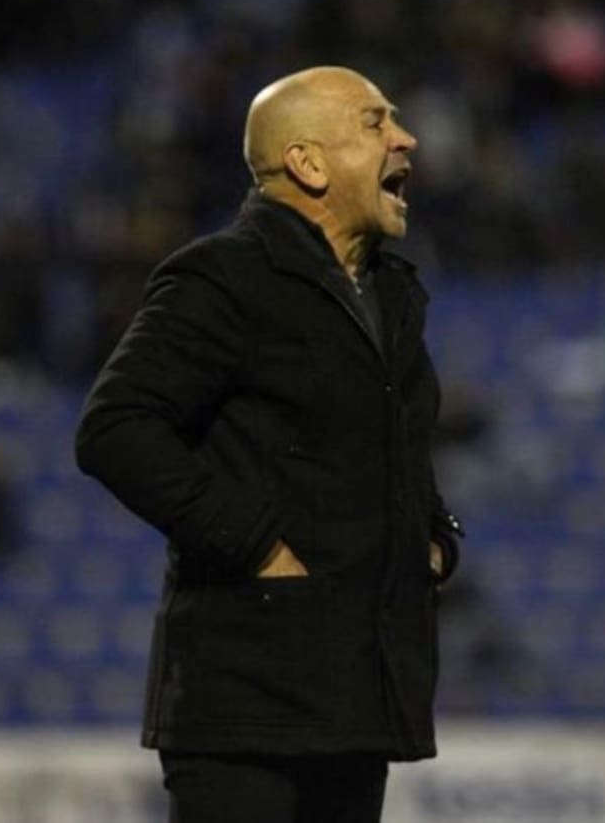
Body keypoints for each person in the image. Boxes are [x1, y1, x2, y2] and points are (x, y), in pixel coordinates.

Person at [74, 66, 465, 823]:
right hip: (245, 705)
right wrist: (255, 546)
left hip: (358, 698)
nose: (407, 138)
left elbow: (395, 445)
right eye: (376, 122)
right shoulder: (224, 277)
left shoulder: (389, 293)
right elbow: (115, 427)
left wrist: (434, 539)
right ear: (308, 162)